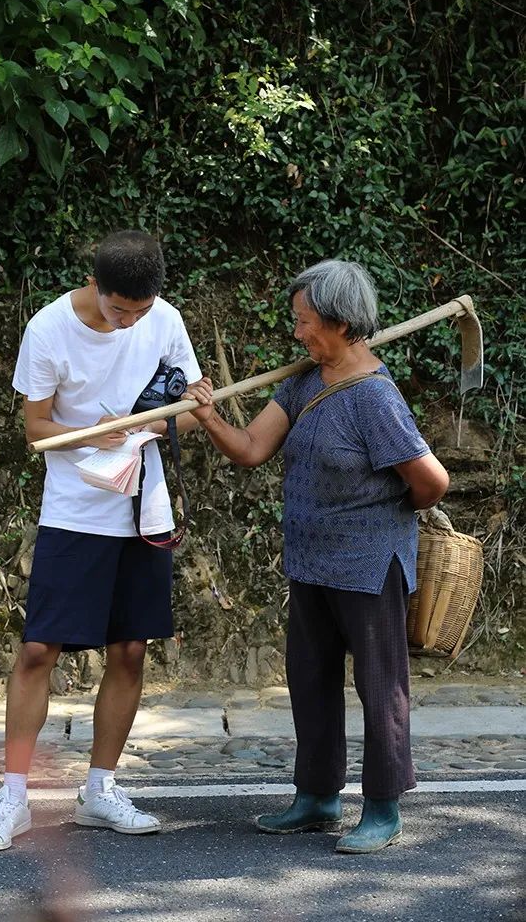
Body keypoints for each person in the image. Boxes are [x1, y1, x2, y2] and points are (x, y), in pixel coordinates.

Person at [188, 259, 449, 854]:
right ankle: (317, 796)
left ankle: (382, 807)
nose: (297, 331)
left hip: (368, 564)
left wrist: (383, 515)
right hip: (309, 561)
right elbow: (251, 448)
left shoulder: (375, 399)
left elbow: (432, 482)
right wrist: (208, 417)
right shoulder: (305, 381)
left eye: (305, 321)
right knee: (310, 679)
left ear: (340, 323)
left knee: (380, 686)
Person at [0, 230, 202, 851]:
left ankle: (100, 789)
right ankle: (12, 796)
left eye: (140, 311)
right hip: (74, 511)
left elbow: (185, 404)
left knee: (130, 650)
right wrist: (89, 434)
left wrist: (170, 415)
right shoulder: (49, 329)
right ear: (95, 284)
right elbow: (35, 428)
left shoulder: (164, 320)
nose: (130, 322)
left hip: (142, 507)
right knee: (38, 650)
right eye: (119, 309)